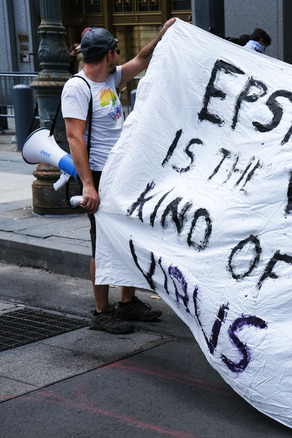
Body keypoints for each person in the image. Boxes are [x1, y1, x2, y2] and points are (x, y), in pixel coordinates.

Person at [62, 20, 176, 334]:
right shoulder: (78, 87)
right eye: (115, 49)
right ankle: (102, 312)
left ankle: (127, 303)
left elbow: (142, 59)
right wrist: (88, 184)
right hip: (99, 175)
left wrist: (164, 33)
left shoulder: (111, 78)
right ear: (109, 54)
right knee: (103, 244)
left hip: (122, 172)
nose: (119, 54)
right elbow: (74, 137)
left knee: (129, 237)